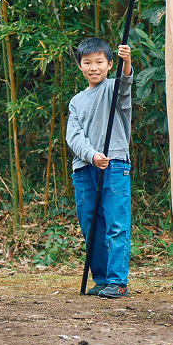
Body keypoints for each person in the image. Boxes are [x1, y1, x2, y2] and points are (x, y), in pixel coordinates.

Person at [66, 38, 134, 299]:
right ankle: (102, 278)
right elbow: (73, 136)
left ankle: (117, 281)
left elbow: (125, 84)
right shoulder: (76, 101)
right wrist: (91, 155)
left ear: (109, 64)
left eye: (99, 62)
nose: (93, 67)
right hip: (84, 169)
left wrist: (126, 62)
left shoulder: (114, 89)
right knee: (91, 226)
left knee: (116, 224)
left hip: (115, 164)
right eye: (87, 62)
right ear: (80, 66)